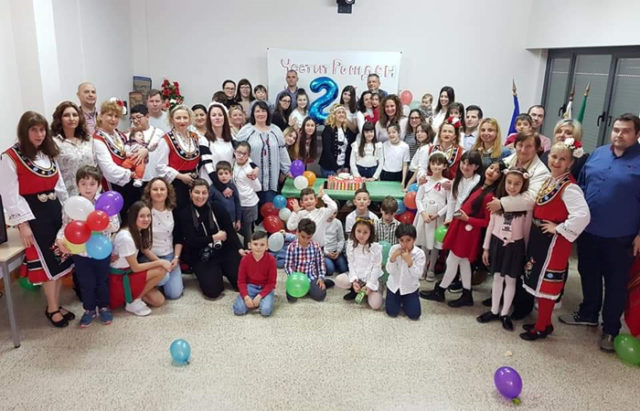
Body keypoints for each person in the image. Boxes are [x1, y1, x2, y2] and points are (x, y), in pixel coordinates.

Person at [559, 113, 640, 351]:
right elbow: (581, 187)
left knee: (616, 284)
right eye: (616, 129)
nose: (619, 134)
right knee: (588, 273)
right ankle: (588, 313)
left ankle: (611, 329)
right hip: (589, 231)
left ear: (636, 134)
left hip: (621, 237)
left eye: (625, 131)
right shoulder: (598, 154)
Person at [0, 111, 74, 327]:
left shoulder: (47, 155)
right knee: (48, 264)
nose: (40, 134)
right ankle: (52, 309)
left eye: (42, 130)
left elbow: (59, 186)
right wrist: (23, 225)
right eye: (34, 130)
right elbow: (10, 195)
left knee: (60, 260)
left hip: (54, 212)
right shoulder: (10, 157)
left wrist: (67, 211)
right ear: (25, 131)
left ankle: (55, 304)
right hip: (34, 216)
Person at [519, 141, 590, 341]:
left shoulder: (570, 188)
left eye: (562, 159)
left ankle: (542, 327)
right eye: (554, 157)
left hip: (554, 242)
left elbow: (583, 215)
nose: (557, 161)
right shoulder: (551, 180)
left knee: (547, 284)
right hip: (540, 239)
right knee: (538, 280)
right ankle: (545, 322)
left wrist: (558, 228)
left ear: (570, 163)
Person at [421, 161, 504, 306]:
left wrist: (467, 219)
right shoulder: (481, 187)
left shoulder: (491, 195)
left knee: (452, 261)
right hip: (462, 229)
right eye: (491, 167)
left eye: (496, 171)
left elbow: (487, 222)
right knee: (464, 263)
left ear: (500, 176)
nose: (491, 171)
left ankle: (440, 291)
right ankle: (467, 294)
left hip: (468, 233)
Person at [56, 166, 119, 327]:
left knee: (102, 281)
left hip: (101, 251)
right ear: (77, 185)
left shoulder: (105, 203)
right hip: (81, 253)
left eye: (92, 184)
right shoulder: (71, 204)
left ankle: (104, 307)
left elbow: (115, 225)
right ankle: (89, 309)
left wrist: (101, 224)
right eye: (83, 183)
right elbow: (65, 227)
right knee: (86, 283)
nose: (88, 187)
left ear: (98, 185)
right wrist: (60, 239)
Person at [477, 167, 533, 331]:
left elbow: (526, 232)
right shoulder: (497, 202)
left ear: (523, 184)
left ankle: (505, 313)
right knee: (496, 278)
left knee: (510, 280)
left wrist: (525, 253)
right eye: (509, 182)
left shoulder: (525, 208)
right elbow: (490, 226)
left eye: (517, 184)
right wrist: (486, 248)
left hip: (515, 248)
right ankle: (494, 310)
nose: (512, 187)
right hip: (496, 244)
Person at [174, 179, 242, 298]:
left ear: (208, 193)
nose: (200, 196)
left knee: (241, 285)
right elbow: (191, 241)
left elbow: (230, 232)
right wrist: (214, 237)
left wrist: (240, 249)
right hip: (201, 255)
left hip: (223, 250)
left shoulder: (217, 207)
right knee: (213, 292)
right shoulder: (184, 213)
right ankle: (214, 272)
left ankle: (224, 269)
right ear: (190, 193)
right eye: (197, 192)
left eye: (204, 193)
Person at [109, 201, 168, 316]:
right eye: (141, 216)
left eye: (148, 216)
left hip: (127, 273)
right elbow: (135, 268)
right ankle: (133, 301)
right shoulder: (126, 237)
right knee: (161, 270)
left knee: (159, 301)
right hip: (119, 279)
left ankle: (135, 296)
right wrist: (160, 262)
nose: (146, 219)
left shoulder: (136, 231)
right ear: (133, 217)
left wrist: (164, 263)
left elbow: (145, 250)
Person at [236, 101, 291, 206]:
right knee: (252, 213)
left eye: (263, 111)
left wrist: (288, 170)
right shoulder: (246, 131)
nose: (260, 114)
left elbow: (282, 152)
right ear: (253, 114)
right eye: (257, 111)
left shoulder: (276, 130)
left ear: (268, 113)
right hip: (250, 179)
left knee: (269, 209)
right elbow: (238, 154)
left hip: (271, 181)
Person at [92, 99, 138, 219]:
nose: (113, 119)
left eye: (116, 116)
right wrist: (130, 173)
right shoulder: (98, 139)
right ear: (100, 116)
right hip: (112, 186)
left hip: (128, 184)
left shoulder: (118, 134)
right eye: (109, 115)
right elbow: (108, 169)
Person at [140, 177, 184, 300]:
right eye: (155, 189)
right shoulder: (144, 211)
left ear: (167, 192)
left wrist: (176, 258)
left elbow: (179, 238)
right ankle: (152, 284)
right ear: (149, 192)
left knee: (174, 294)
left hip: (170, 255)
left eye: (162, 189)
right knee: (163, 278)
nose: (159, 192)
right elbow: (143, 247)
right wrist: (160, 262)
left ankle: (157, 283)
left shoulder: (174, 210)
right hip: (150, 256)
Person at [155, 104, 201, 208]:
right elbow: (160, 166)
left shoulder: (195, 137)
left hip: (194, 183)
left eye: (185, 117)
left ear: (189, 119)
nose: (182, 121)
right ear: (172, 120)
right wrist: (181, 176)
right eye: (178, 118)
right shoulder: (165, 140)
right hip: (176, 184)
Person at [414, 152, 449, 282]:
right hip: (424, 217)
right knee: (423, 243)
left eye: (439, 164)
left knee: (434, 244)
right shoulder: (425, 180)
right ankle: (422, 268)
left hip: (437, 218)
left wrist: (438, 214)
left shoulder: (447, 183)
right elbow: (418, 199)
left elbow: (449, 203)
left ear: (444, 166)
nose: (436, 166)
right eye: (433, 163)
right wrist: (423, 213)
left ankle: (431, 268)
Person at [336, 218, 383, 309]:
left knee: (376, 305)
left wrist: (369, 285)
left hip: (371, 278)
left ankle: (368, 292)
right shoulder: (351, 245)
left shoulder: (375, 248)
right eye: (359, 231)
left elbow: (376, 268)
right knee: (339, 279)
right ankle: (355, 290)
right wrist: (354, 281)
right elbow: (351, 264)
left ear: (370, 233)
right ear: (354, 231)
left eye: (365, 232)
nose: (361, 235)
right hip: (358, 277)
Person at [51, 101, 94, 197]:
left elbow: (95, 166)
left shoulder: (88, 139)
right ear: (59, 119)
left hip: (91, 192)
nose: (71, 118)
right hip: (69, 195)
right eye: (66, 115)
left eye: (75, 115)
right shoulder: (54, 142)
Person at [385, 224, 425, 320]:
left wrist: (409, 262)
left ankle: (406, 301)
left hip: (410, 288)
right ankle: (397, 300)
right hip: (394, 286)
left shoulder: (419, 253)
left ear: (414, 239)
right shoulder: (394, 249)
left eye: (408, 240)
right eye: (401, 240)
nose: (404, 244)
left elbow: (418, 274)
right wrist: (393, 257)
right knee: (392, 313)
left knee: (415, 315)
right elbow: (389, 270)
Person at [233, 231, 277, 317]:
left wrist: (260, 296)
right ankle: (254, 300)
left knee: (266, 311)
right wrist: (246, 297)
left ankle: (264, 299)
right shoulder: (245, 260)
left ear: (267, 246)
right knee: (239, 310)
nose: (258, 247)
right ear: (250, 245)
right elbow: (241, 281)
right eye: (255, 244)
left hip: (265, 287)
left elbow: (272, 283)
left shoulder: (271, 260)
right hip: (250, 286)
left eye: (262, 245)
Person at [284, 218, 329, 302]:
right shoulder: (292, 247)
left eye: (308, 238)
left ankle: (311, 287)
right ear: (297, 232)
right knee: (291, 299)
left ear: (312, 235)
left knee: (320, 296)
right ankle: (308, 290)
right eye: (303, 237)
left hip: (311, 277)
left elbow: (320, 264)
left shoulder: (316, 246)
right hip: (296, 278)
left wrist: (321, 278)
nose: (305, 240)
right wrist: (293, 277)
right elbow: (288, 266)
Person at [233, 142, 261, 248]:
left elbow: (258, 188)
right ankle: (254, 242)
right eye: (239, 152)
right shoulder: (233, 163)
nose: (241, 156)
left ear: (248, 155)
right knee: (239, 227)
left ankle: (249, 249)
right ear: (235, 152)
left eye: (244, 154)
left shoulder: (250, 168)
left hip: (249, 203)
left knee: (247, 230)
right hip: (237, 202)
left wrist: (253, 179)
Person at [128, 104, 165, 184]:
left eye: (138, 117)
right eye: (133, 118)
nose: (135, 121)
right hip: (134, 178)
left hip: (154, 177)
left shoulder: (159, 133)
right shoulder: (129, 135)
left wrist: (147, 151)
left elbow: (163, 156)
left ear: (147, 116)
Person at [199, 102, 234, 185]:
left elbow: (240, 156)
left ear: (225, 118)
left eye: (220, 115)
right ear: (209, 119)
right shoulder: (204, 140)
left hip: (228, 183)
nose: (217, 118)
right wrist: (221, 187)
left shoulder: (232, 138)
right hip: (211, 185)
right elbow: (208, 167)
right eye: (214, 115)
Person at [319, 104, 356, 177]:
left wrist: (346, 166)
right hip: (329, 168)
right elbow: (327, 151)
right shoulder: (328, 129)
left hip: (343, 167)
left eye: (343, 112)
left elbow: (349, 150)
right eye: (339, 112)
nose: (341, 114)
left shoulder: (347, 129)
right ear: (334, 115)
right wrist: (336, 168)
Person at [209, 161, 241, 233]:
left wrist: (238, 220)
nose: (223, 176)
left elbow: (237, 203)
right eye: (220, 174)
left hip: (232, 220)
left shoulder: (232, 186)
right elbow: (209, 206)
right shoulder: (212, 188)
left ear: (231, 174)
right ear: (216, 176)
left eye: (226, 173)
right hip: (218, 222)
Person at [405, 121, 435, 188]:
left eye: (422, 131)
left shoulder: (425, 149)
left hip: (416, 178)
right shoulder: (423, 147)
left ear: (428, 133)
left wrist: (408, 185)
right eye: (417, 132)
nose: (419, 134)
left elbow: (419, 169)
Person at [324, 211, 348, 277]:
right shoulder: (319, 222)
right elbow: (318, 242)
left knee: (344, 269)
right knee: (330, 270)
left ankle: (334, 263)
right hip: (324, 252)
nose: (332, 215)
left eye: (334, 213)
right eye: (330, 212)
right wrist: (327, 253)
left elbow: (341, 239)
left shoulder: (338, 222)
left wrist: (338, 251)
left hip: (335, 251)